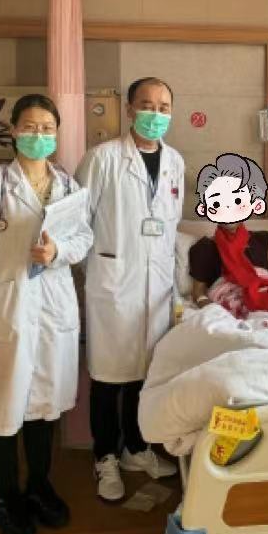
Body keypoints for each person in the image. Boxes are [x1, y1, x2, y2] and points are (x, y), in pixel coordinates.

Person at [0, 94, 93, 534]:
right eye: (29, 127)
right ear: (13, 130)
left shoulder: (67, 185)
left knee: (44, 409)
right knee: (2, 411)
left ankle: (39, 486)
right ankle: (6, 498)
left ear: (57, 133)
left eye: (47, 128)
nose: (38, 135)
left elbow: (83, 237)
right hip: (2, 312)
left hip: (53, 309)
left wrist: (58, 252)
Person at [75, 77, 183, 501]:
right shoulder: (102, 158)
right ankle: (105, 456)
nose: (155, 113)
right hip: (113, 285)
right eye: (147, 104)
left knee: (144, 375)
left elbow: (171, 227)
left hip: (156, 287)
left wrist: (176, 284)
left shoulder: (175, 161)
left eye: (163, 106)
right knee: (108, 378)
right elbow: (77, 224)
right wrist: (99, 271)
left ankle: (136, 449)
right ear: (129, 110)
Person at [190, 153, 268, 318]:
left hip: (267, 295)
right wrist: (215, 313)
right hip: (228, 303)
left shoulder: (262, 239)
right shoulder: (204, 247)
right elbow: (198, 292)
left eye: (237, 200)